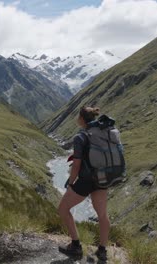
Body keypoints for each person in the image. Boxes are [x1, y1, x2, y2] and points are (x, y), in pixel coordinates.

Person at [58, 106, 109, 262]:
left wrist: (71, 183)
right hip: (102, 178)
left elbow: (77, 164)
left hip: (86, 180)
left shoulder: (80, 137)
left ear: (82, 118)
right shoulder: (104, 133)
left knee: (63, 209)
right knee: (102, 215)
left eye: (77, 116)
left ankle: (75, 246)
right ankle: (102, 250)